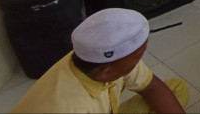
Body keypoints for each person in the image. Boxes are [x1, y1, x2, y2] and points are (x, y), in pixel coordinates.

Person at [12, 8, 188, 113]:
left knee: (176, 89)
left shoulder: (101, 61)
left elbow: (152, 88)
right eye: (137, 57)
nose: (139, 61)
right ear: (106, 72)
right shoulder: (71, 106)